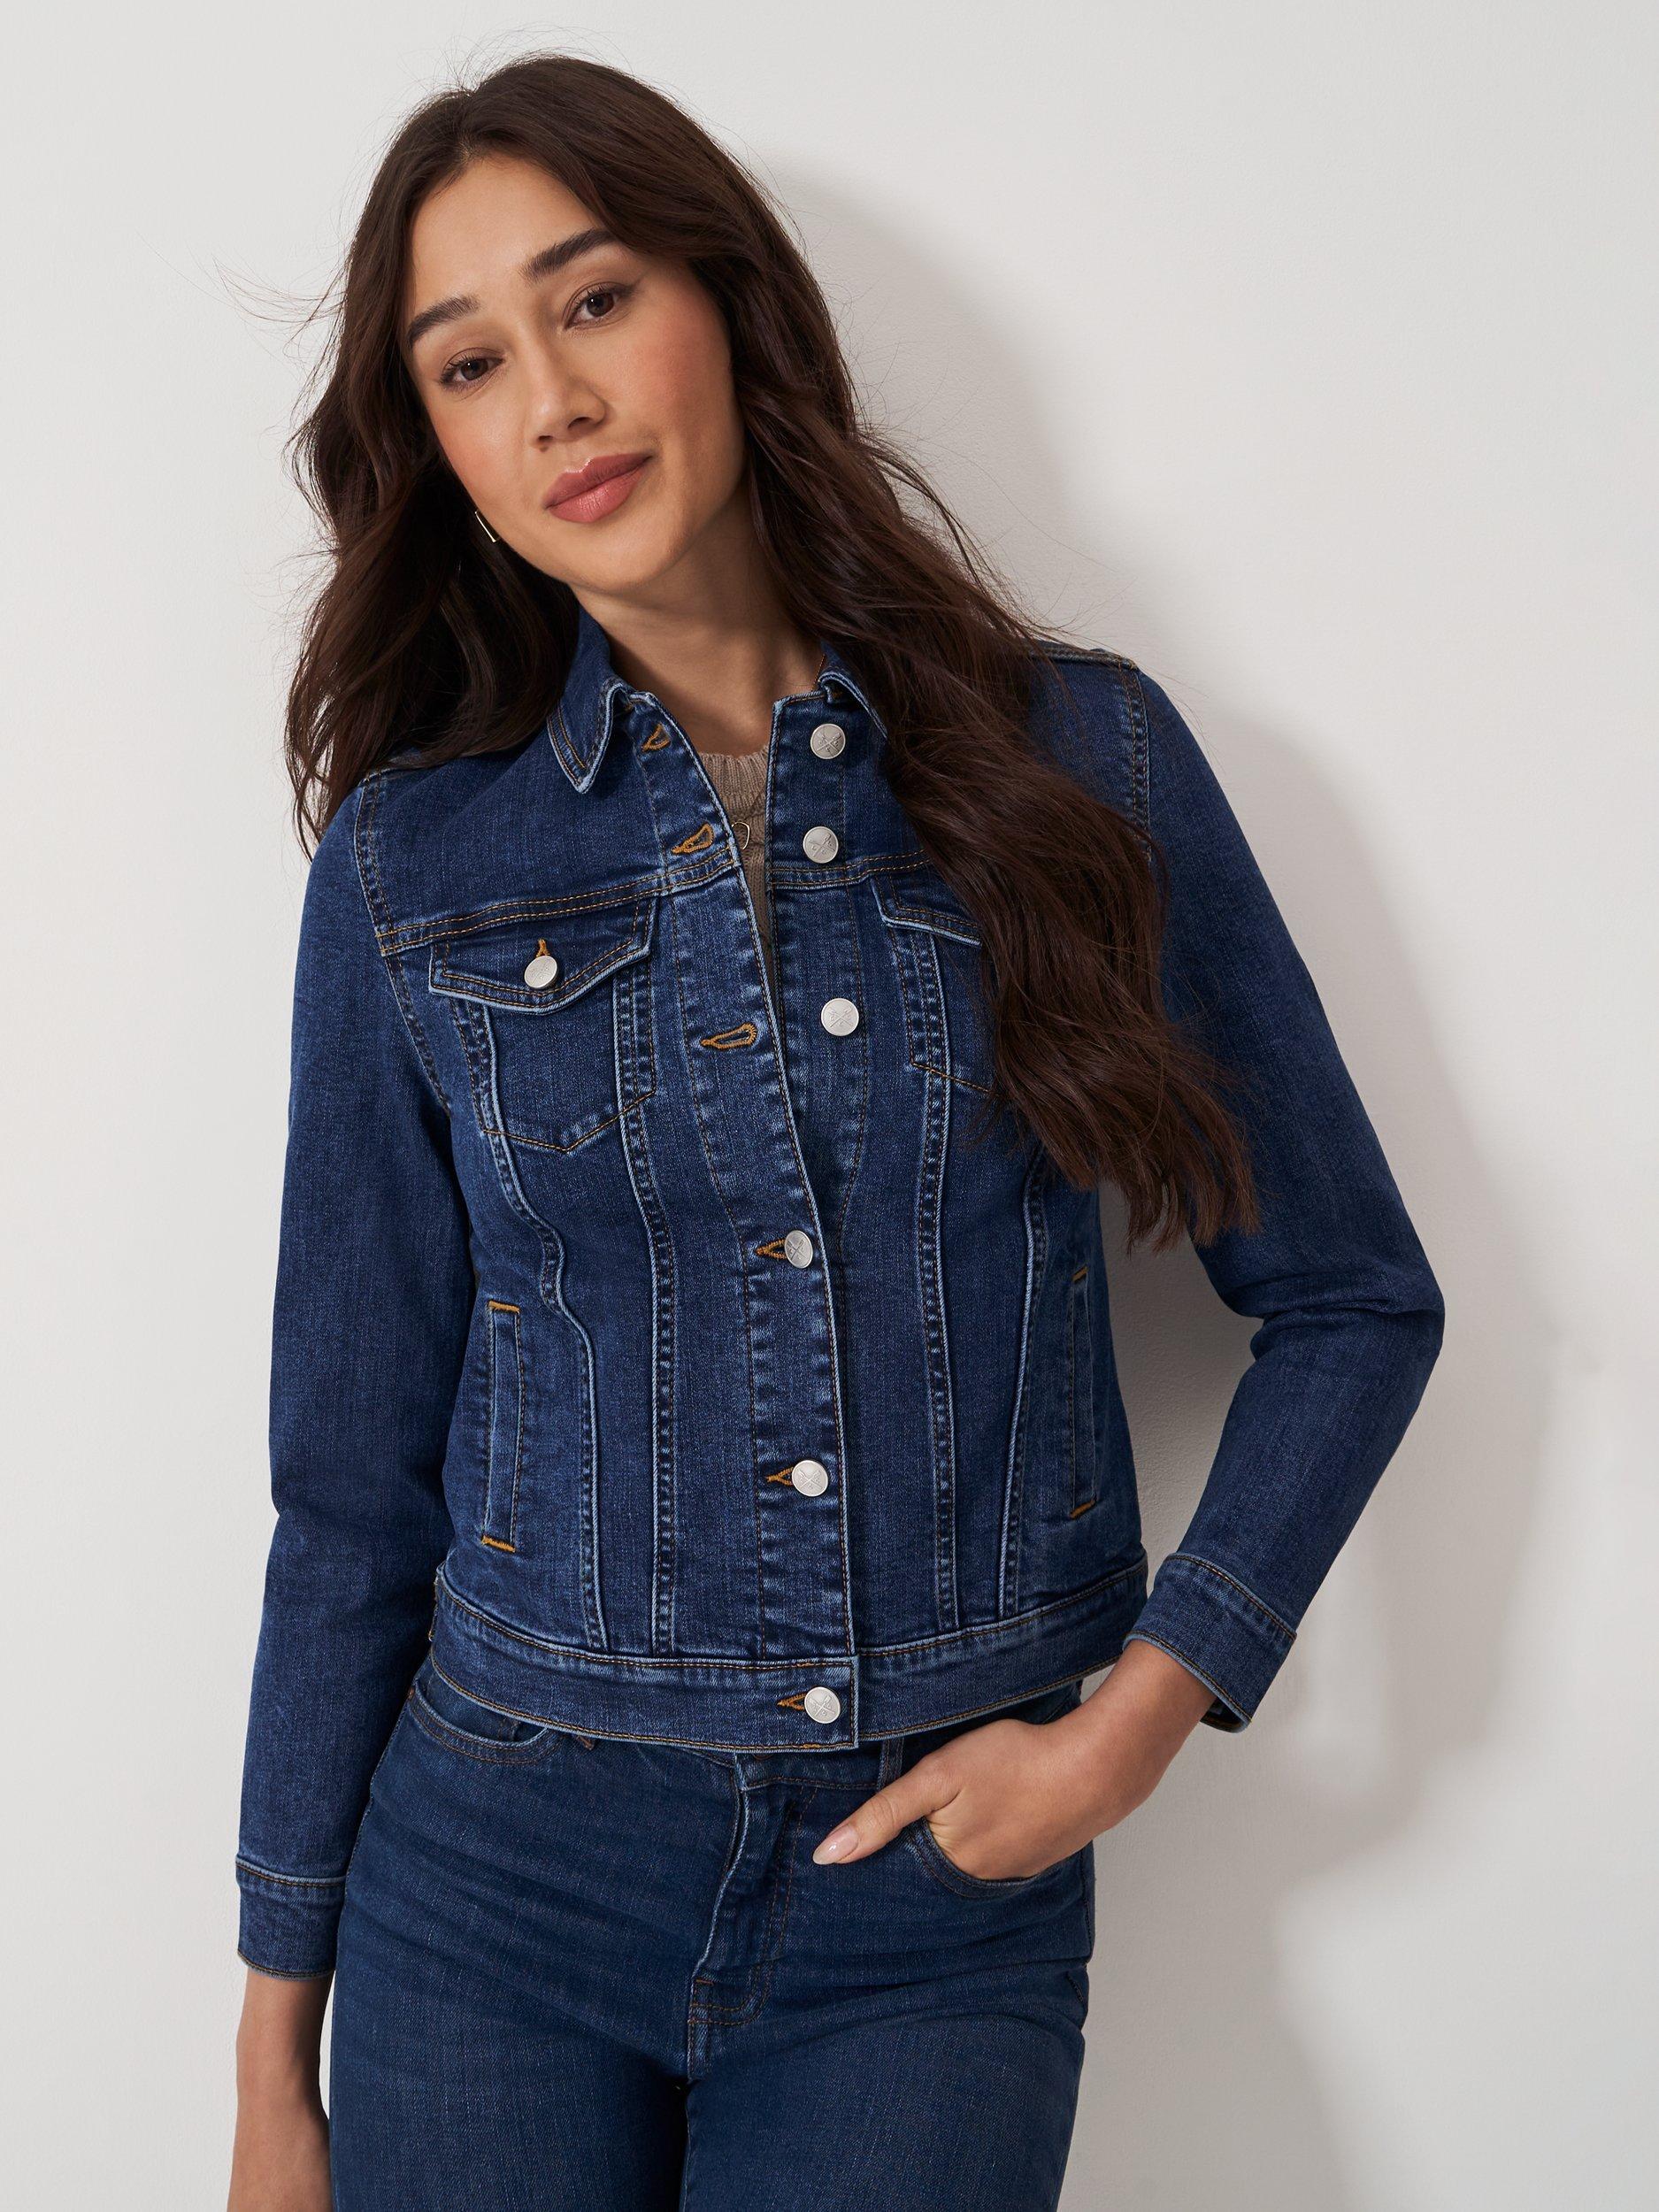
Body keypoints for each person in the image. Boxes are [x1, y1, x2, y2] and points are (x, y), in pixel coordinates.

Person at [226, 52, 1445, 2212]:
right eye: (470, 362)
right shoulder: (414, 867)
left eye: (594, 300)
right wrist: (269, 2064)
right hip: (491, 1881)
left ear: (729, 306)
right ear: (441, 452)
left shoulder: (1079, 760)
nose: (552, 401)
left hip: (928, 1919)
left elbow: (1350, 1295)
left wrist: (1130, 1726)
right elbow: (346, 1484)